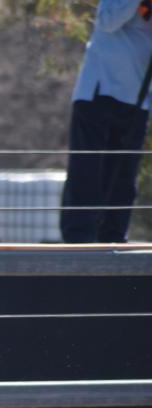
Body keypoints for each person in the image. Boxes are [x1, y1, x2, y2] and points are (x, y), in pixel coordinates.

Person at [59, 0, 152, 243]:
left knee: (123, 177)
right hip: (99, 92)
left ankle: (113, 239)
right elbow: (107, 20)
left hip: (137, 100)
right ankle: (79, 242)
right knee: (87, 171)